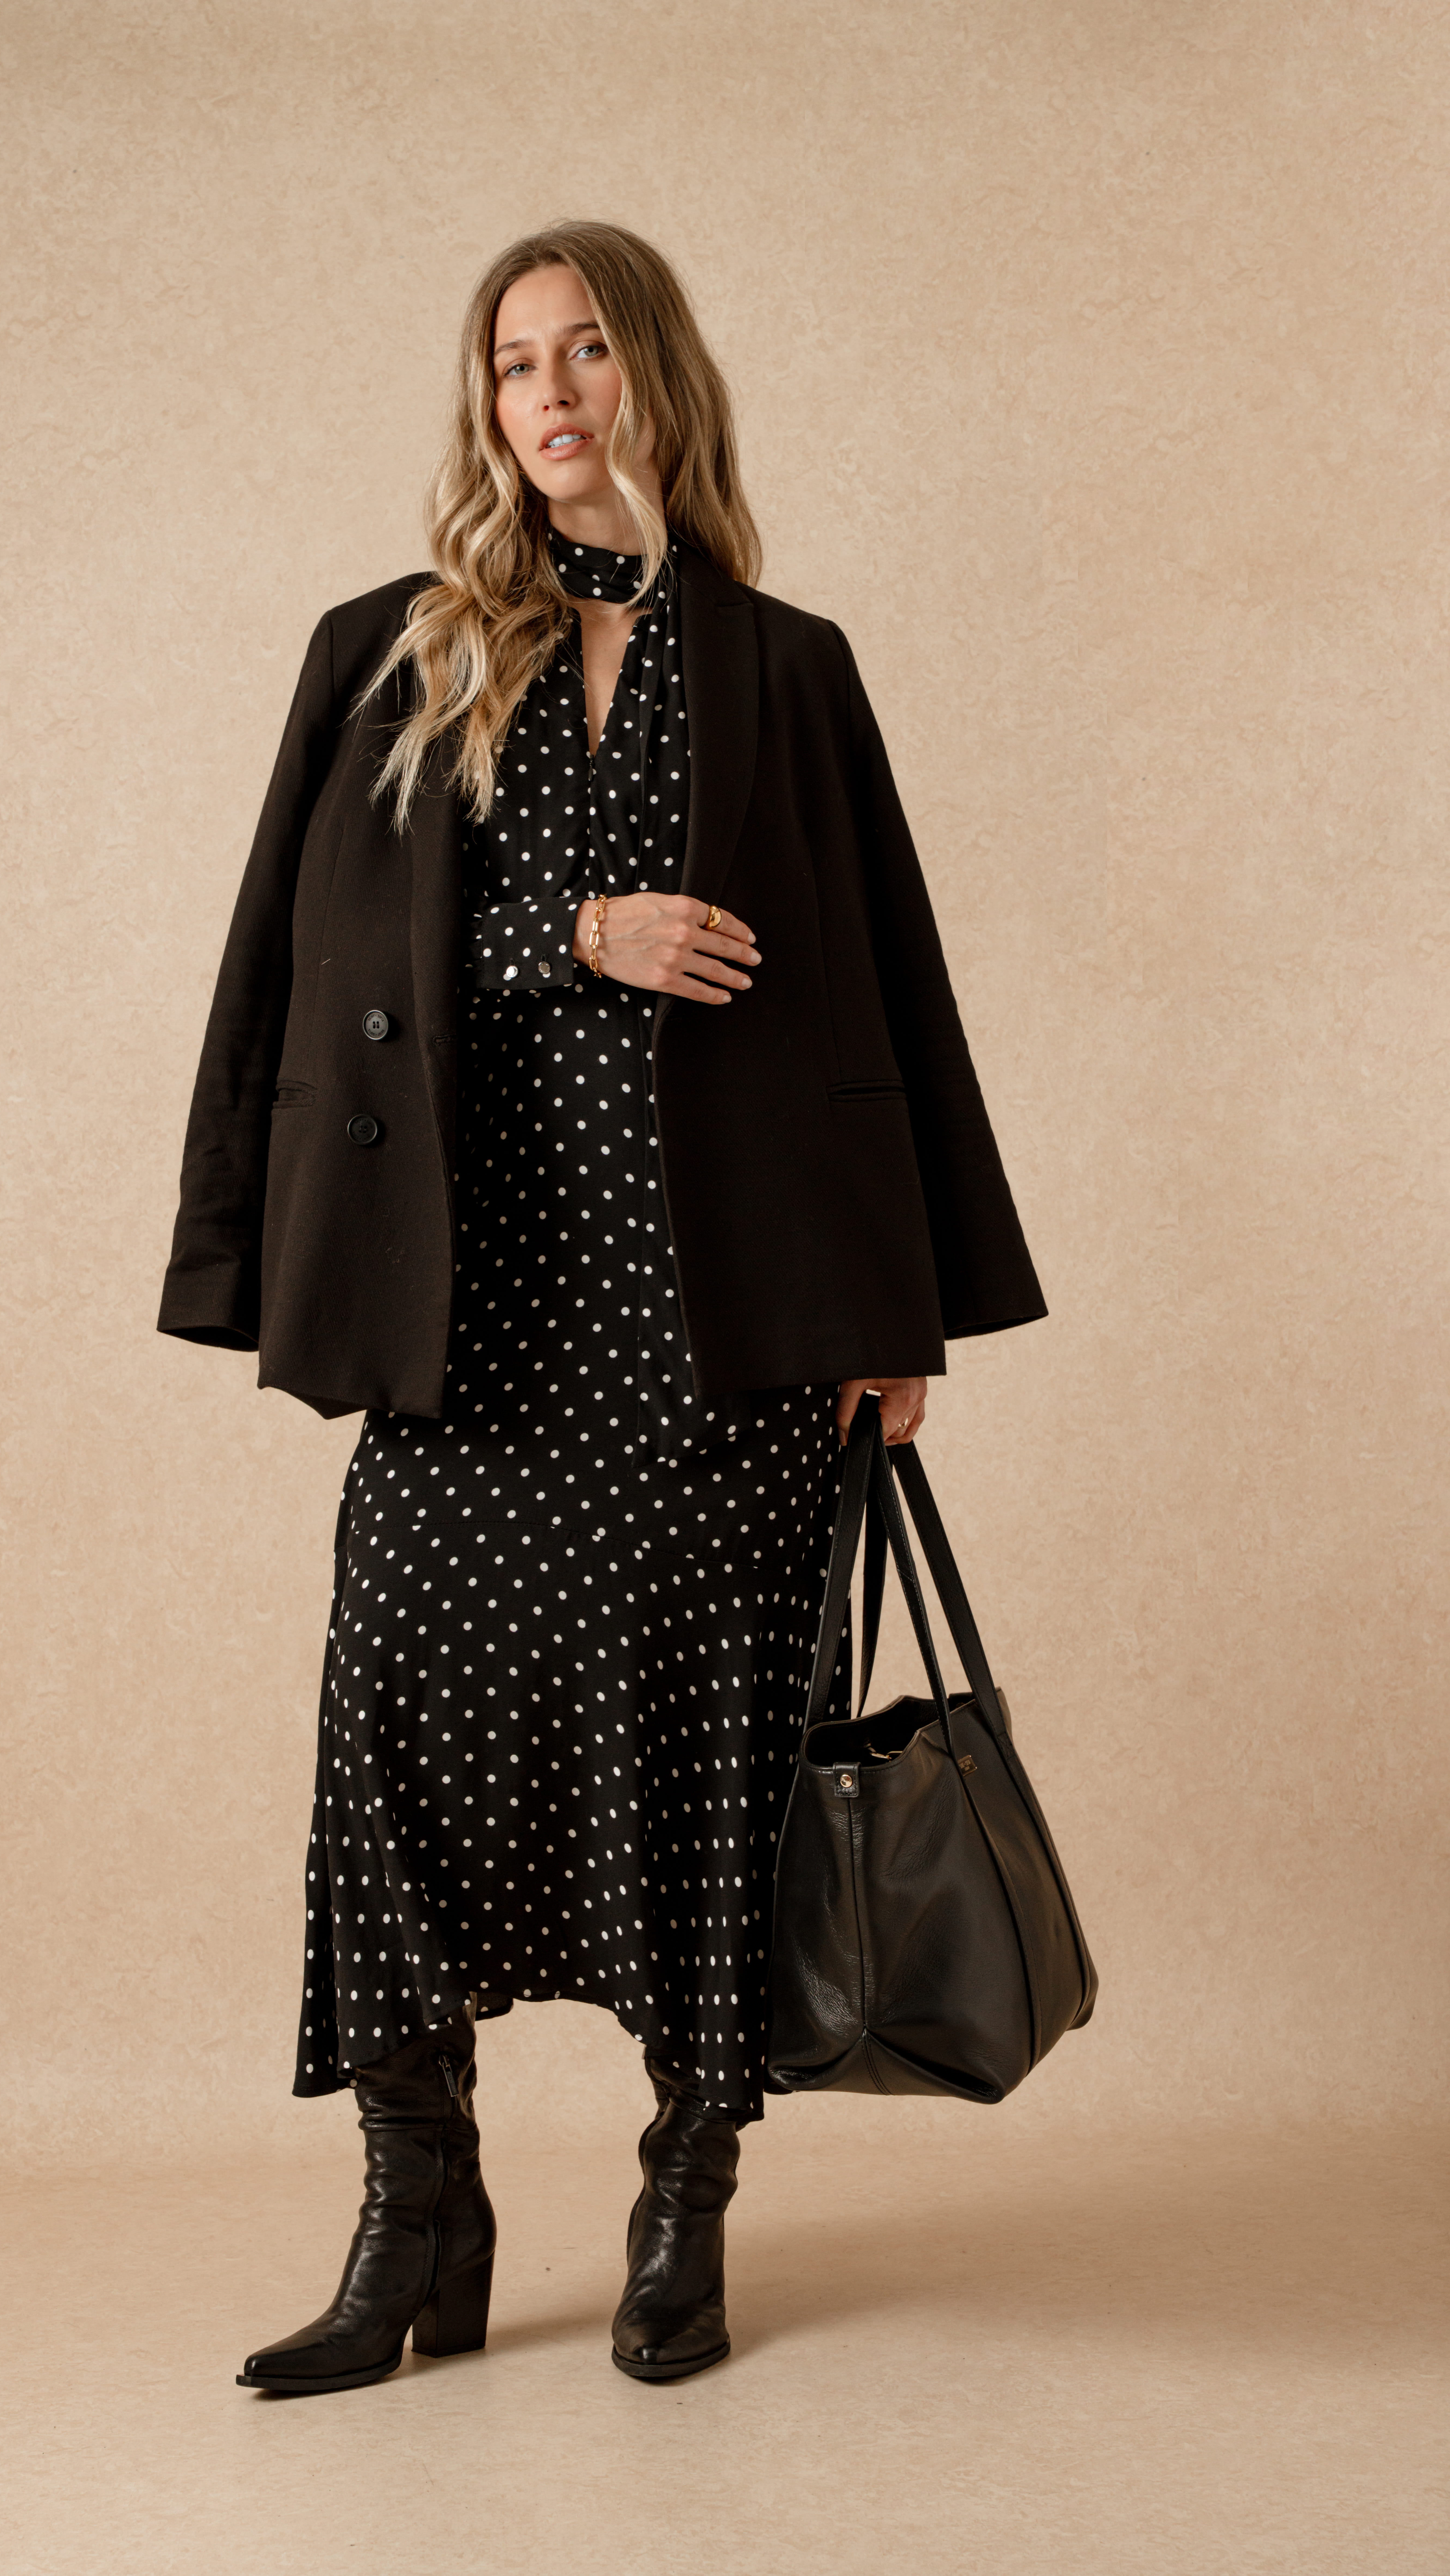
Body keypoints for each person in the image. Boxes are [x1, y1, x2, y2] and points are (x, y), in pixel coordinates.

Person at [158, 219, 1045, 2393]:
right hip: (475, 1315)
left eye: (583, 353)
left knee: (714, 1758)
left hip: (725, 1322)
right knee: (393, 1739)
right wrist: (576, 930)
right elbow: (311, 970)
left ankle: (684, 2208)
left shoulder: (787, 666)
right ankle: (416, 2220)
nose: (547, 395)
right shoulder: (389, 652)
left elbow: (880, 990)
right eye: (510, 363)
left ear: (656, 375)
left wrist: (903, 1306)